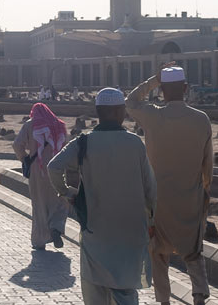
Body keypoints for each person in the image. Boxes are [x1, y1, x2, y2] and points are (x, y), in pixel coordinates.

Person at [47, 88, 156, 305]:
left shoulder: (83, 142)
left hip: (96, 229)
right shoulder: (135, 143)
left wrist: (67, 192)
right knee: (125, 290)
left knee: (95, 286)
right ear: (119, 112)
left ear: (98, 112)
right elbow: (151, 189)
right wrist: (152, 220)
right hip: (130, 231)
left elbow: (53, 167)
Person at [125, 65, 212, 305]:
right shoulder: (200, 119)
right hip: (189, 199)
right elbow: (208, 163)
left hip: (158, 200)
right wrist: (204, 191)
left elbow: (130, 102)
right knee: (193, 252)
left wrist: (153, 80)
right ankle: (199, 297)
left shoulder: (153, 115)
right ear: (185, 89)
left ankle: (164, 301)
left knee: (158, 253)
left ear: (162, 90)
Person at [14, 102, 71, 251]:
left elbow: (17, 144)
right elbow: (67, 146)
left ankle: (39, 241)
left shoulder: (30, 125)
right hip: (57, 170)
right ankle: (56, 228)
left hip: (37, 170)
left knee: (39, 204)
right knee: (60, 202)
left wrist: (24, 158)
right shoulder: (59, 124)